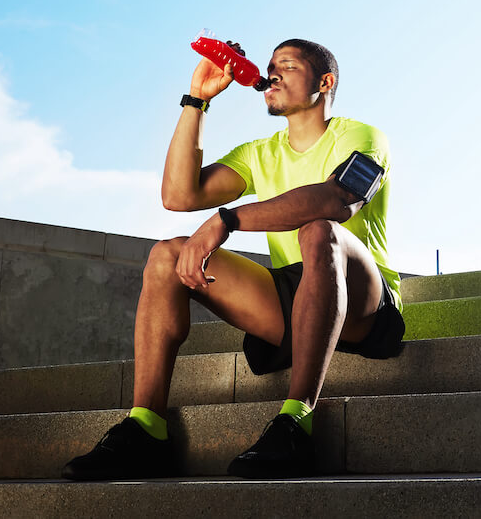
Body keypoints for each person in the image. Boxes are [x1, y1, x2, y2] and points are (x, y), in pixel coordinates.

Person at [62, 38, 404, 480]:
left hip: (364, 302)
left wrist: (228, 220)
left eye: (288, 65)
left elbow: (339, 199)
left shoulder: (362, 136)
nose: (272, 73)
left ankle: (296, 422)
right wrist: (197, 100)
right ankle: (146, 429)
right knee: (167, 257)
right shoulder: (259, 153)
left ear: (325, 82)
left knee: (319, 230)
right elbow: (178, 195)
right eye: (269, 66)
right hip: (294, 297)